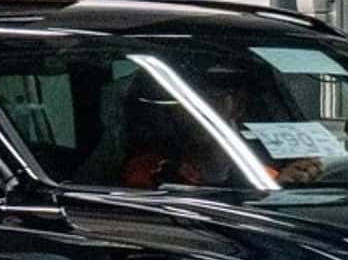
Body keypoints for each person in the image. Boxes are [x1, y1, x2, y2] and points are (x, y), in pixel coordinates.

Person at [119, 68, 324, 189]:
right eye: (185, 101)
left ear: (238, 105)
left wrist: (285, 188)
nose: (197, 110)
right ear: (171, 110)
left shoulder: (265, 173)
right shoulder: (151, 169)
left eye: (212, 99)